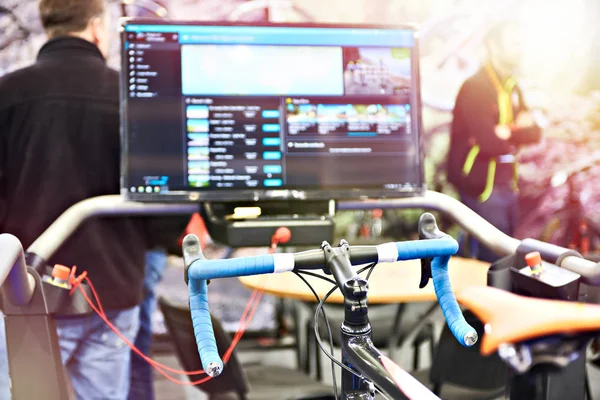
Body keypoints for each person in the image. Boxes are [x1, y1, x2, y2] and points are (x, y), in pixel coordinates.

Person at [0, 0, 152, 398]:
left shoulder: (7, 93)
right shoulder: (132, 97)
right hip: (114, 292)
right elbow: (160, 207)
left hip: (24, 296)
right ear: (97, 29)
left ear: (48, 27)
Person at [447, 21, 542, 263]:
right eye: (514, 43)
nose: (520, 49)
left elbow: (535, 133)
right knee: (492, 263)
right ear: (493, 46)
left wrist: (506, 131)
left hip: (507, 184)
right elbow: (489, 142)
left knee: (504, 257)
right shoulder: (475, 87)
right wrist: (516, 129)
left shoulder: (512, 87)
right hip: (481, 188)